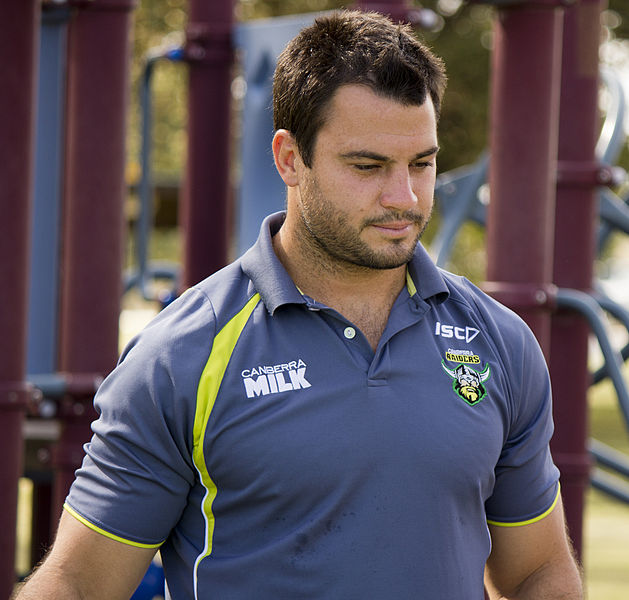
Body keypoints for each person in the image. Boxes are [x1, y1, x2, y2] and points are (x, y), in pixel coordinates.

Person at [16, 10, 582, 600]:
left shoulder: (499, 343)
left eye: (422, 163)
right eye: (367, 166)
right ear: (290, 158)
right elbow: (79, 584)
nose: (404, 197)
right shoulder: (181, 356)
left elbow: (536, 571)